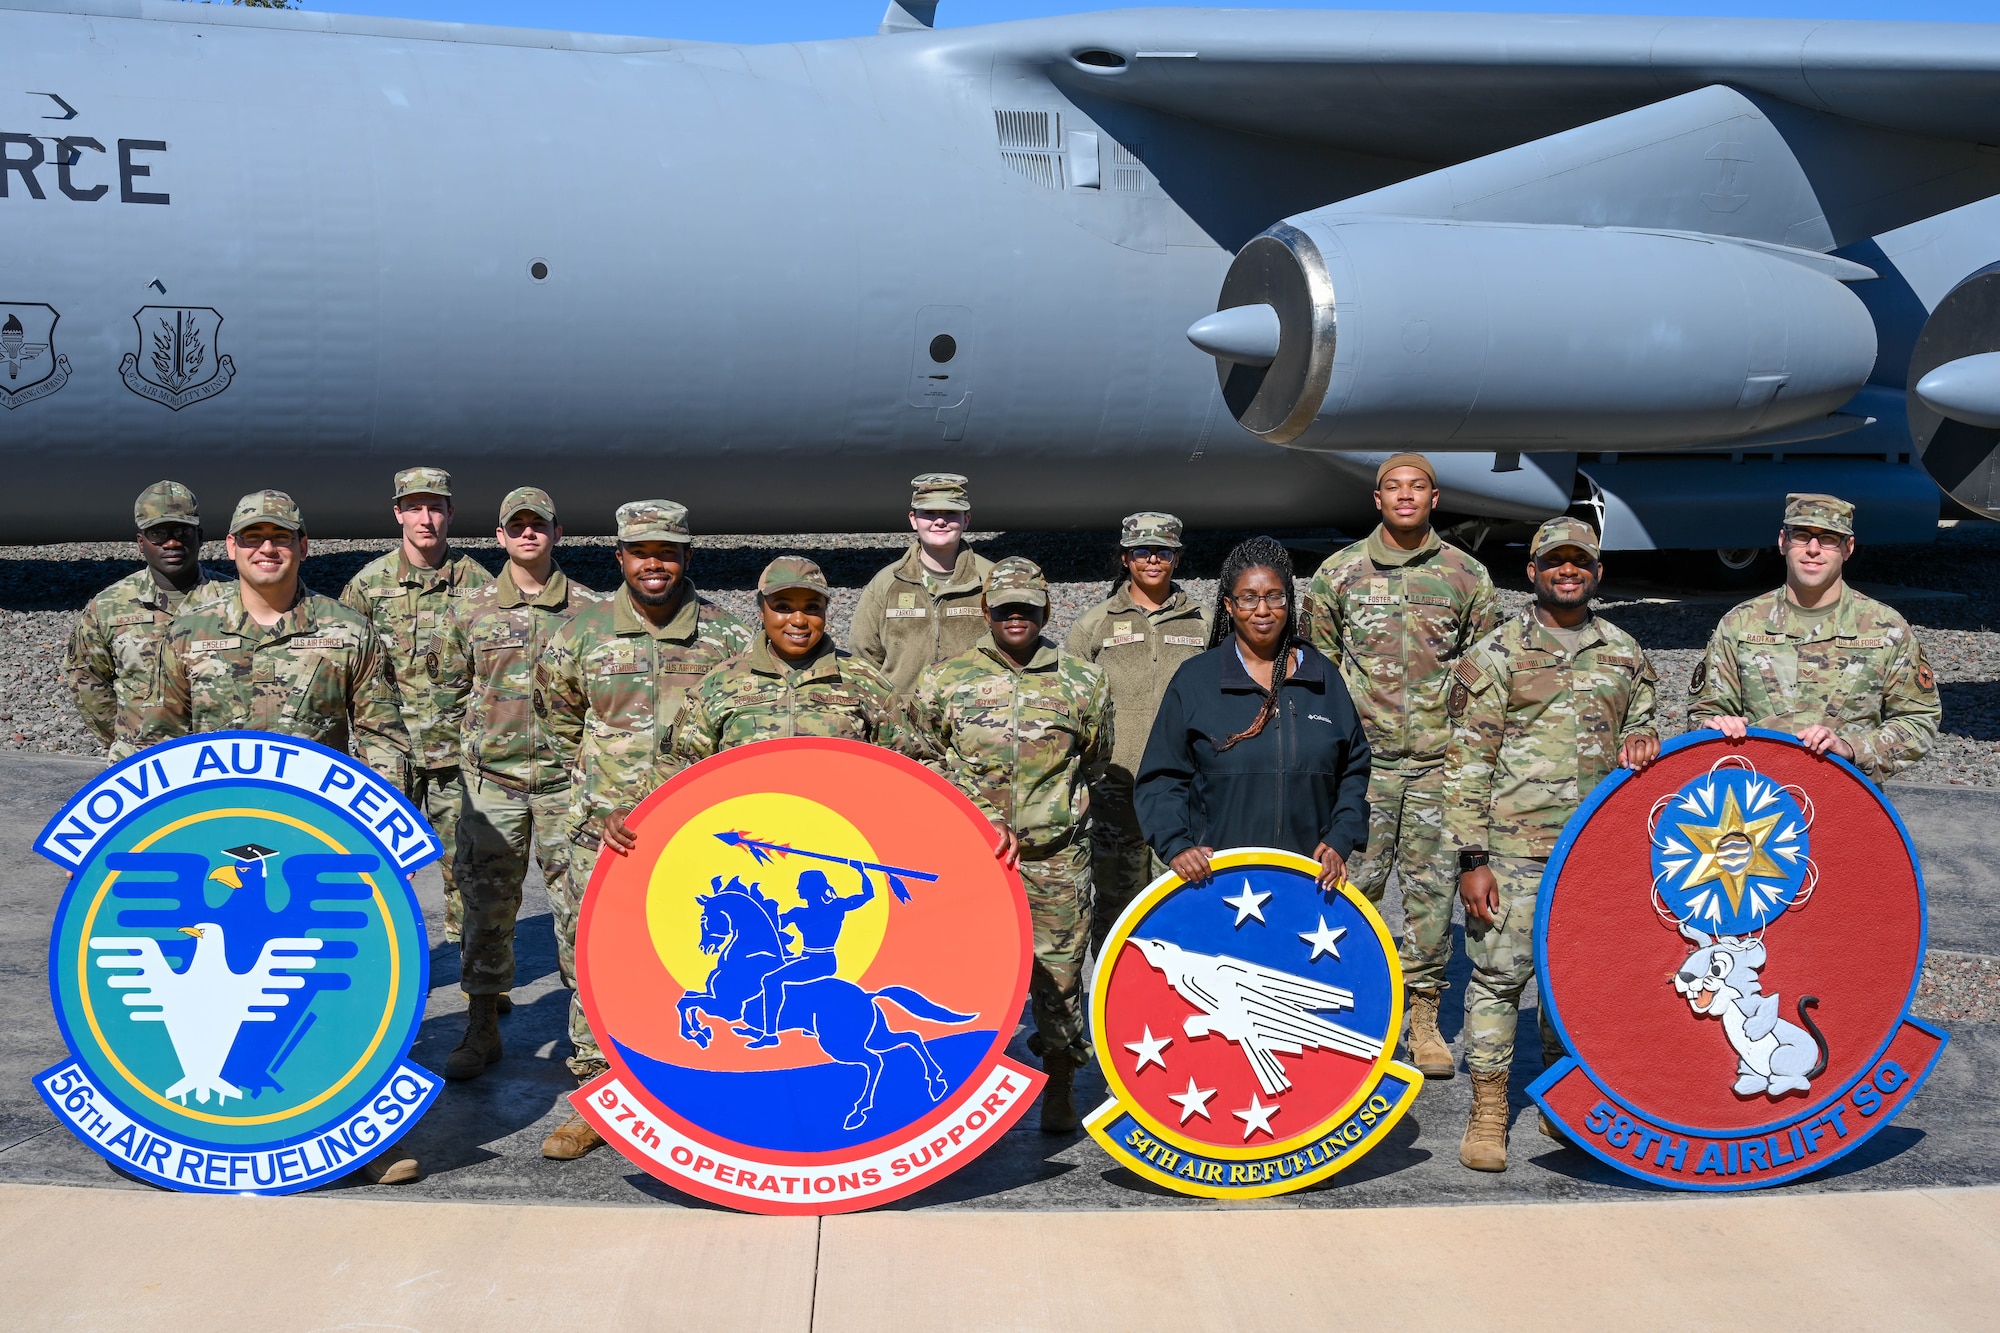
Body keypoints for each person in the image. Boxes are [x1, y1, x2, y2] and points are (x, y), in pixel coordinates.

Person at [137, 490, 420, 1186]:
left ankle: (354, 1133)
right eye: (252, 537)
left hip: (308, 851)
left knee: (326, 988)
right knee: (194, 989)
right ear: (229, 548)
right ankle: (169, 1124)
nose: (268, 548)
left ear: (303, 546)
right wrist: (130, 840)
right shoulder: (187, 630)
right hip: (210, 856)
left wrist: (381, 838)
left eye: (282, 537)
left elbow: (383, 737)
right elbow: (150, 737)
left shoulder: (347, 631)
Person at [1442, 517, 1659, 1173]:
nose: (1569, 570)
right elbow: (1467, 762)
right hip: (1511, 853)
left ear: (1598, 572)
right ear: (1532, 572)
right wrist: (1471, 859)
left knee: (1578, 988)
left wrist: (1645, 740)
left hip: (1594, 859)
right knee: (1499, 982)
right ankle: (1487, 1114)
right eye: (1555, 561)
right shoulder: (1497, 653)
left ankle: (1562, 1102)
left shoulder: (1626, 652)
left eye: (1581, 561)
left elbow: (1644, 732)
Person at [536, 499, 751, 1159]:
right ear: (619, 557)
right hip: (605, 834)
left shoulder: (728, 638)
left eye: (666, 550)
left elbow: (742, 733)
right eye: (640, 550)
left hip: (698, 841)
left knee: (700, 962)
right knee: (594, 960)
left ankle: (699, 1087)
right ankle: (598, 1095)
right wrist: (600, 799)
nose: (653, 562)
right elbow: (559, 721)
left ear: (687, 555)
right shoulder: (582, 632)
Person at [1301, 454, 1498, 1080]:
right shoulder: (1340, 574)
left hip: (1440, 765)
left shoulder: (1466, 576)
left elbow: (1484, 673)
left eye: (1417, 487)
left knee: (1432, 897)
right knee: (1345, 886)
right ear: (1377, 499)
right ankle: (1339, 1013)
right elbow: (1320, 671)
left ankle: (1422, 1017)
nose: (1405, 497)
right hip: (1365, 768)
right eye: (1393, 488)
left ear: (1435, 498)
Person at [914, 557, 1112, 1133]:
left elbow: (1094, 760)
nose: (1016, 616)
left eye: (1027, 607)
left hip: (1055, 858)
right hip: (969, 862)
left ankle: (1059, 1079)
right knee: (963, 978)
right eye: (1005, 608)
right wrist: (977, 814)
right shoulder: (945, 680)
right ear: (987, 611)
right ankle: (960, 1095)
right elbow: (923, 756)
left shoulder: (1082, 680)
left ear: (1047, 609)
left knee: (1059, 978)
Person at [430, 487, 605, 1082]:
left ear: (558, 535)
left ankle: (589, 1045)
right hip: (491, 785)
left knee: (579, 914)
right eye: (517, 526)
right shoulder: (470, 609)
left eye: (539, 525)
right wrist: (459, 770)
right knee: (484, 911)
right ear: (499, 537)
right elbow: (447, 692)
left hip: (564, 786)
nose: (528, 534)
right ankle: (481, 1026)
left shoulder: (591, 610)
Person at [1135, 535, 1371, 894]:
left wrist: (1341, 838)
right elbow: (1161, 778)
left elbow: (1354, 769)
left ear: (1288, 602)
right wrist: (1177, 845)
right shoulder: (1196, 680)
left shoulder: (1322, 678)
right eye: (1248, 598)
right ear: (1229, 606)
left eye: (1274, 596)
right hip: (1218, 882)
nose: (1263, 610)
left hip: (1307, 880)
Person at [339, 468, 494, 949]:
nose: (425, 519)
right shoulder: (367, 586)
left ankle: (473, 980)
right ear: (398, 513)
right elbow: (342, 664)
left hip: (457, 755)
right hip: (389, 755)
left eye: (434, 508)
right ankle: (387, 965)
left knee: (465, 867)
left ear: (450, 513)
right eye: (414, 507)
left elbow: (496, 668)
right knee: (380, 868)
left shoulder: (479, 584)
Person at [1689, 492, 1940, 781]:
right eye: (1802, 536)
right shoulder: (1740, 624)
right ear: (1783, 542)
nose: (1813, 549)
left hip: (1847, 796)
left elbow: (1919, 719)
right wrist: (1717, 727)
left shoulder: (1886, 629)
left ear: (1848, 548)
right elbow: (1702, 713)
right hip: (1756, 800)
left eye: (1829, 539)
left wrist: (1852, 748)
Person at [1063, 512, 1210, 951]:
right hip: (1115, 787)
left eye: (1162, 552)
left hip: (1184, 788)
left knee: (1181, 898)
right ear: (1125, 558)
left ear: (1177, 559)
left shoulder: (1201, 620)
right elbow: (1071, 702)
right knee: (1116, 899)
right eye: (1141, 551)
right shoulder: (1095, 625)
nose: (1152, 560)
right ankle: (1111, 1003)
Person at [670, 555, 917, 766]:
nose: (799, 620)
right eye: (783, 607)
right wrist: (630, 807)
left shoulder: (865, 682)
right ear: (761, 611)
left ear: (824, 613)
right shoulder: (720, 684)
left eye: (811, 607)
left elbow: (911, 763)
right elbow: (677, 764)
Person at [64, 481, 227, 760]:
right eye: (158, 533)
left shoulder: (235, 601)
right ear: (141, 543)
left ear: (200, 536)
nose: (172, 542)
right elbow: (86, 678)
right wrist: (125, 737)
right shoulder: (108, 607)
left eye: (182, 531)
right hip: (141, 763)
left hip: (218, 760)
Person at [851, 473, 995, 699]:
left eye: (950, 513)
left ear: (966, 520)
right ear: (913, 519)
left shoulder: (990, 580)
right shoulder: (887, 583)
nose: (940, 521)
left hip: (973, 720)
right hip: (902, 723)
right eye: (929, 513)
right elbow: (864, 656)